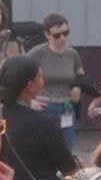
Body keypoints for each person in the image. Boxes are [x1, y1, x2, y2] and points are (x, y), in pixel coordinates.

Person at [29, 12, 87, 151]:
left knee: (66, 148)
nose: (62, 38)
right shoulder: (37, 53)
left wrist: (77, 88)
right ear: (47, 35)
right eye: (57, 35)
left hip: (66, 106)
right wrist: (30, 101)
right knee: (43, 148)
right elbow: (20, 74)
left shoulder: (72, 54)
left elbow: (81, 76)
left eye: (65, 33)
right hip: (44, 105)